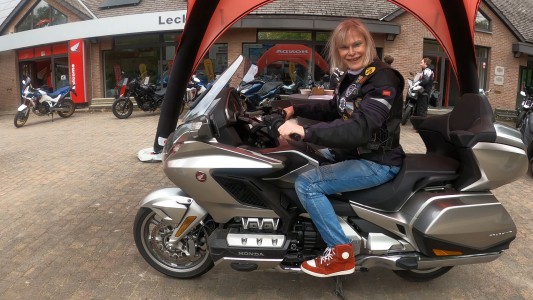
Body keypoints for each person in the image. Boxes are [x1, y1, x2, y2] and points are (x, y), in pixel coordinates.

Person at [277, 19, 405, 278]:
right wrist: (294, 108)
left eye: (357, 44)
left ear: (368, 43)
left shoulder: (383, 78)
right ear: (338, 51)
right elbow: (333, 109)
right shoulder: (352, 77)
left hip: (377, 161)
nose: (352, 52)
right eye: (344, 47)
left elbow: (361, 127)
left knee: (307, 184)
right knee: (302, 157)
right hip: (353, 153)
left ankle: (340, 253)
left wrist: (306, 131)